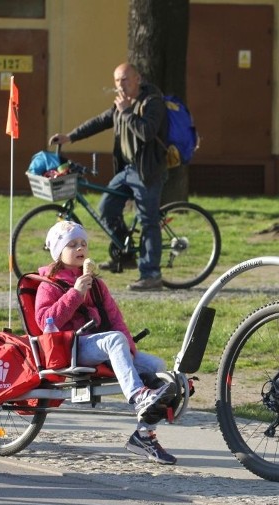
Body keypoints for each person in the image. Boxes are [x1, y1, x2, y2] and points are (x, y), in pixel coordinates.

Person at [35, 220, 178, 465]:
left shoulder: (97, 284)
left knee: (157, 365)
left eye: (83, 244)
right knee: (115, 340)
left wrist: (130, 348)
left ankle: (144, 435)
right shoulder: (50, 284)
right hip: (71, 347)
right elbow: (46, 322)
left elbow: (115, 318)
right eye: (72, 244)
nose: (80, 248)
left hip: (101, 343)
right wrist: (75, 294)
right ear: (59, 252)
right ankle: (137, 395)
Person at [49, 62, 168, 291]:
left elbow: (147, 132)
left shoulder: (152, 102)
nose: (120, 85)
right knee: (107, 209)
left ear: (138, 80)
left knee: (148, 221)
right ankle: (125, 256)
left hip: (147, 171)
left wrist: (125, 112)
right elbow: (100, 121)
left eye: (124, 79)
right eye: (116, 81)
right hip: (127, 169)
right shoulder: (121, 104)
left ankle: (151, 275)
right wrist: (70, 137)